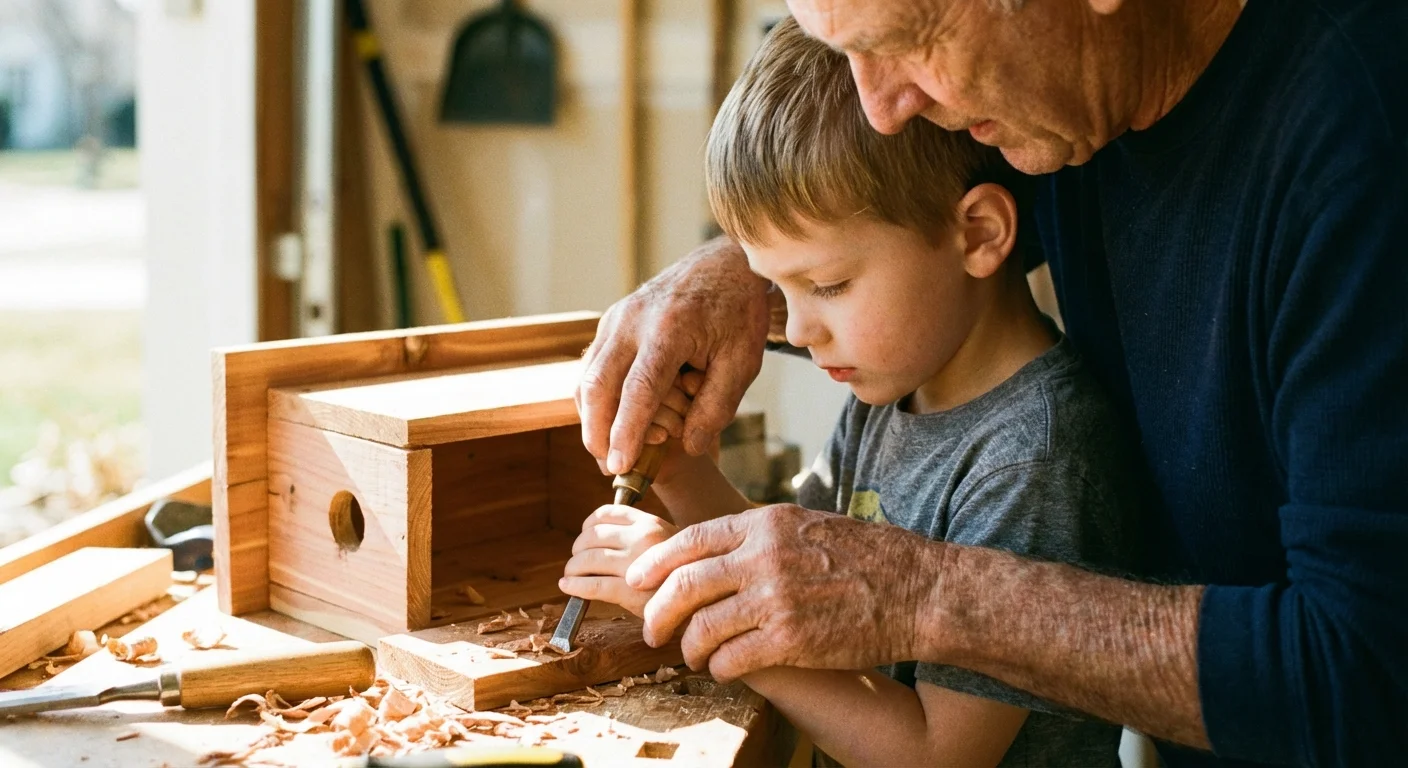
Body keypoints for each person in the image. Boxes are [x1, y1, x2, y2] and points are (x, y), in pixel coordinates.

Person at [573, 0, 1408, 766]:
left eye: (907, 38)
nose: (882, 109)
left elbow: (1368, 678)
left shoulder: (1363, 139)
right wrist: (742, 267)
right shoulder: (1065, 92)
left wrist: (921, 592)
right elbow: (922, 216)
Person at [561, 17, 1144, 766]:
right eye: (777, 288)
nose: (798, 330)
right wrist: (682, 470)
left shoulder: (1036, 457)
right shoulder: (896, 398)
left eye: (827, 284)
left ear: (978, 235)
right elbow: (791, 587)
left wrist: (691, 601)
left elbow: (933, 753)